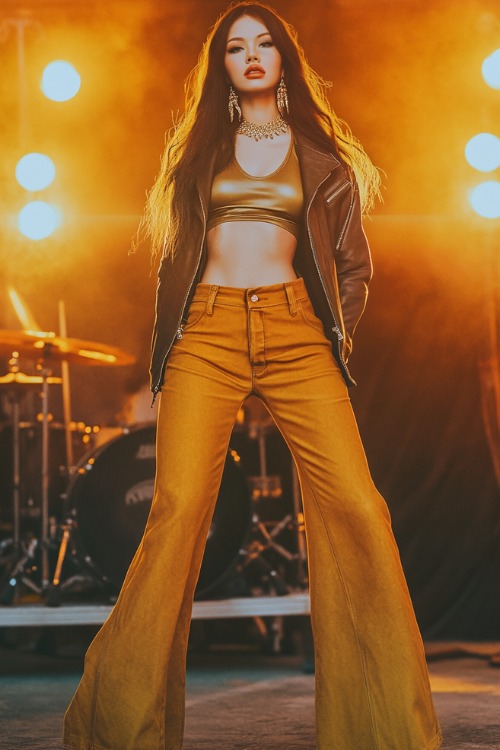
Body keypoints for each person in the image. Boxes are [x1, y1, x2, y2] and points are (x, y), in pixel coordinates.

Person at [63, 3, 442, 749]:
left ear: (283, 60)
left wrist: (333, 334)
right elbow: (174, 269)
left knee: (361, 510)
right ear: (224, 70)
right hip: (206, 331)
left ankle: (383, 731)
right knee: (176, 514)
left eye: (265, 42)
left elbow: (355, 269)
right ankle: (117, 727)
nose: (253, 54)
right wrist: (160, 363)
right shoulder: (201, 153)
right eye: (237, 48)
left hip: (298, 332)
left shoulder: (323, 158)